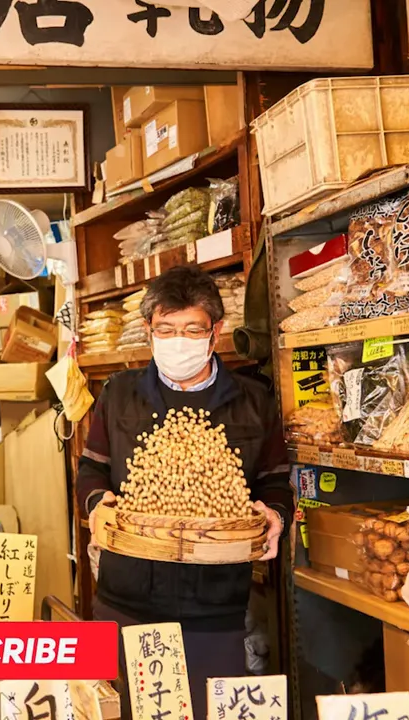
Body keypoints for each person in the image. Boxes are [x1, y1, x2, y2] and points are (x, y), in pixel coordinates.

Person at [76, 265, 291, 714]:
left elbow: (273, 479)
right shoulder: (118, 394)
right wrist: (98, 507)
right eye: (166, 329)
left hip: (215, 604)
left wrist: (274, 515)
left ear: (215, 334)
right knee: (130, 709)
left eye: (192, 329)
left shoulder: (254, 401)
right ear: (149, 332)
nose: (179, 341)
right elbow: (92, 471)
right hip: (127, 598)